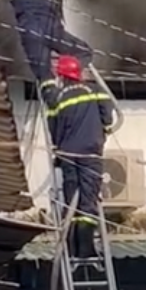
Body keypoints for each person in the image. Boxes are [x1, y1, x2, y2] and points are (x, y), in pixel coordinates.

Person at [44, 54, 115, 259]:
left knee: (70, 198)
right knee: (88, 200)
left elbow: (54, 129)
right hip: (90, 152)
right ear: (79, 74)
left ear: (62, 76)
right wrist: (104, 128)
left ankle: (71, 246)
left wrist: (58, 148)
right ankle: (85, 247)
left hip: (67, 153)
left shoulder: (58, 98)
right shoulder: (94, 91)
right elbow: (107, 113)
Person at [8, 0, 93, 85]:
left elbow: (13, 13)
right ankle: (69, 74)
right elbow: (59, 16)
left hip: (31, 36)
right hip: (53, 33)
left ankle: (53, 93)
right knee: (84, 52)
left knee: (44, 78)